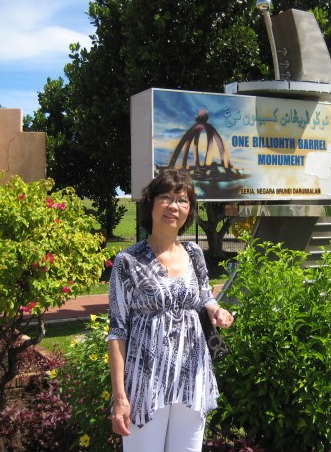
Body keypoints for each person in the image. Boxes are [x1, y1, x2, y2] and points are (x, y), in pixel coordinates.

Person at [107, 168, 233, 452]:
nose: (174, 206)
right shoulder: (128, 260)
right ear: (150, 203)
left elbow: (204, 296)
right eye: (166, 197)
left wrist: (216, 310)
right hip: (145, 382)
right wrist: (120, 397)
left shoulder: (194, 253)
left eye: (182, 200)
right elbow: (117, 331)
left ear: (189, 210)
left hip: (192, 377)